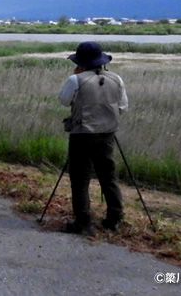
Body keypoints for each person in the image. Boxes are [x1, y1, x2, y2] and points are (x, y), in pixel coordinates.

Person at [58, 41, 128, 234]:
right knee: (108, 176)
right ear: (101, 61)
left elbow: (64, 101)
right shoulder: (116, 79)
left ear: (81, 62)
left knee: (80, 178)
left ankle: (83, 222)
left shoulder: (76, 80)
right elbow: (123, 107)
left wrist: (75, 77)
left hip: (82, 134)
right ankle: (114, 218)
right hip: (107, 133)